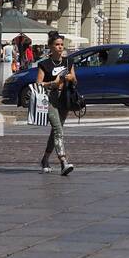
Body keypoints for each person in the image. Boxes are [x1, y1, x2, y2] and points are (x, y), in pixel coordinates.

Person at [36, 32, 77, 175]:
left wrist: (71, 77)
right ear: (50, 47)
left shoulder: (68, 62)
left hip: (64, 98)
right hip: (50, 99)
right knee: (58, 130)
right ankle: (63, 161)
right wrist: (53, 83)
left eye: (61, 44)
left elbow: (75, 81)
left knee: (55, 131)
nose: (60, 47)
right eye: (57, 45)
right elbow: (39, 84)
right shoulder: (44, 64)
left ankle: (45, 159)